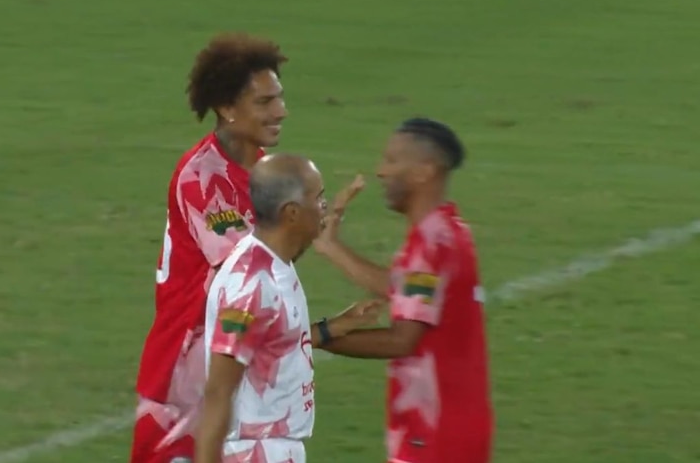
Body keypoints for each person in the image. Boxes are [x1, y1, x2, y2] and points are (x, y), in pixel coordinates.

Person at [131, 33, 289, 463]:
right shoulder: (203, 177)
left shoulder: (260, 169)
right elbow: (247, 267)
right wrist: (307, 227)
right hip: (184, 379)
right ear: (227, 108)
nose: (280, 111)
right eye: (264, 102)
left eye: (279, 98)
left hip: (234, 362)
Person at [314, 118, 493, 463]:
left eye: (393, 160)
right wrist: (331, 247)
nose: (381, 171)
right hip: (447, 427)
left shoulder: (431, 243)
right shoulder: (446, 231)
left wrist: (315, 338)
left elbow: (401, 340)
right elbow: (404, 288)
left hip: (435, 434)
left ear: (424, 171)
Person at [195, 154, 384, 463]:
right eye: (319, 198)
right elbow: (218, 392)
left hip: (273, 446)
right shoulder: (251, 287)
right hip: (256, 451)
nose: (325, 206)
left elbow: (271, 343)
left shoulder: (273, 262)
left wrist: (329, 329)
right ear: (292, 213)